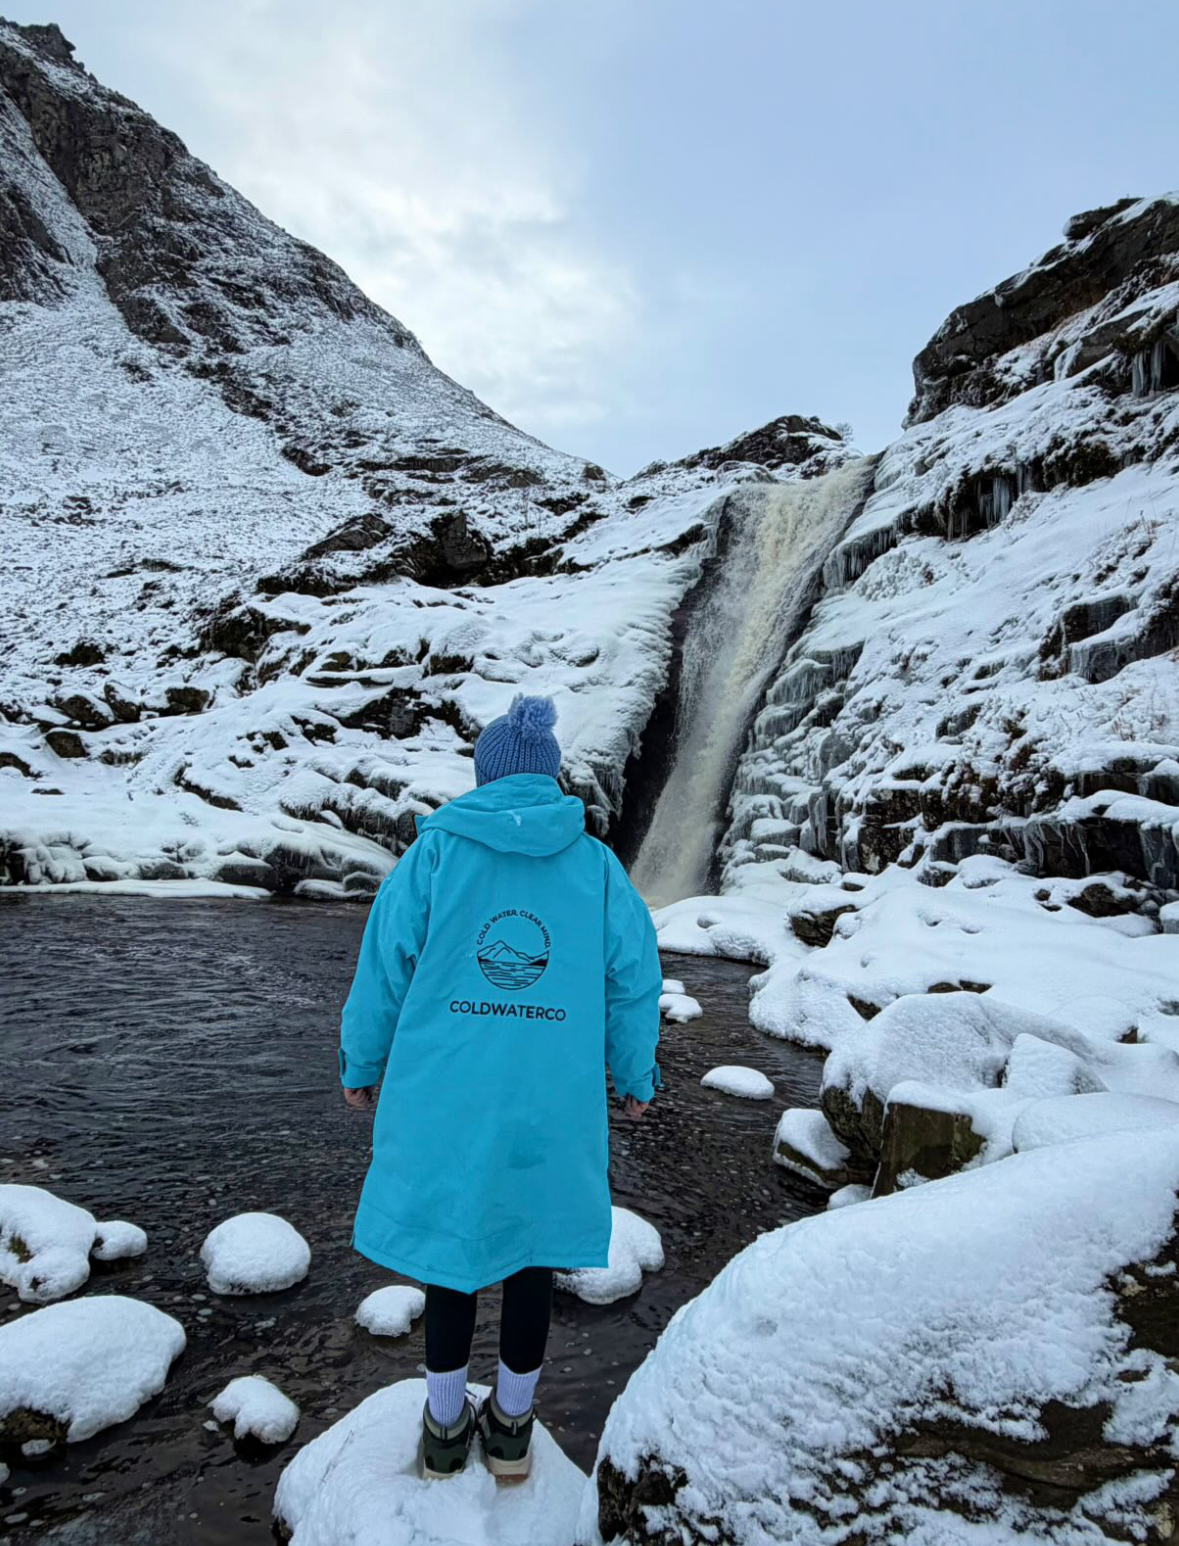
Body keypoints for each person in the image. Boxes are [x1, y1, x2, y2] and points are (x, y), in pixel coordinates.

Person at [338, 693, 662, 1481]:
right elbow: (632, 978)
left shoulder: (437, 855)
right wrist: (633, 1073)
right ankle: (512, 1429)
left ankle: (446, 1429)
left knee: (451, 1254)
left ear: (483, 778)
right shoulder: (593, 866)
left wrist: (361, 1064)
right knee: (532, 1255)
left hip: (444, 1093)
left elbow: (384, 969)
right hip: (552, 1099)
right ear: (548, 782)